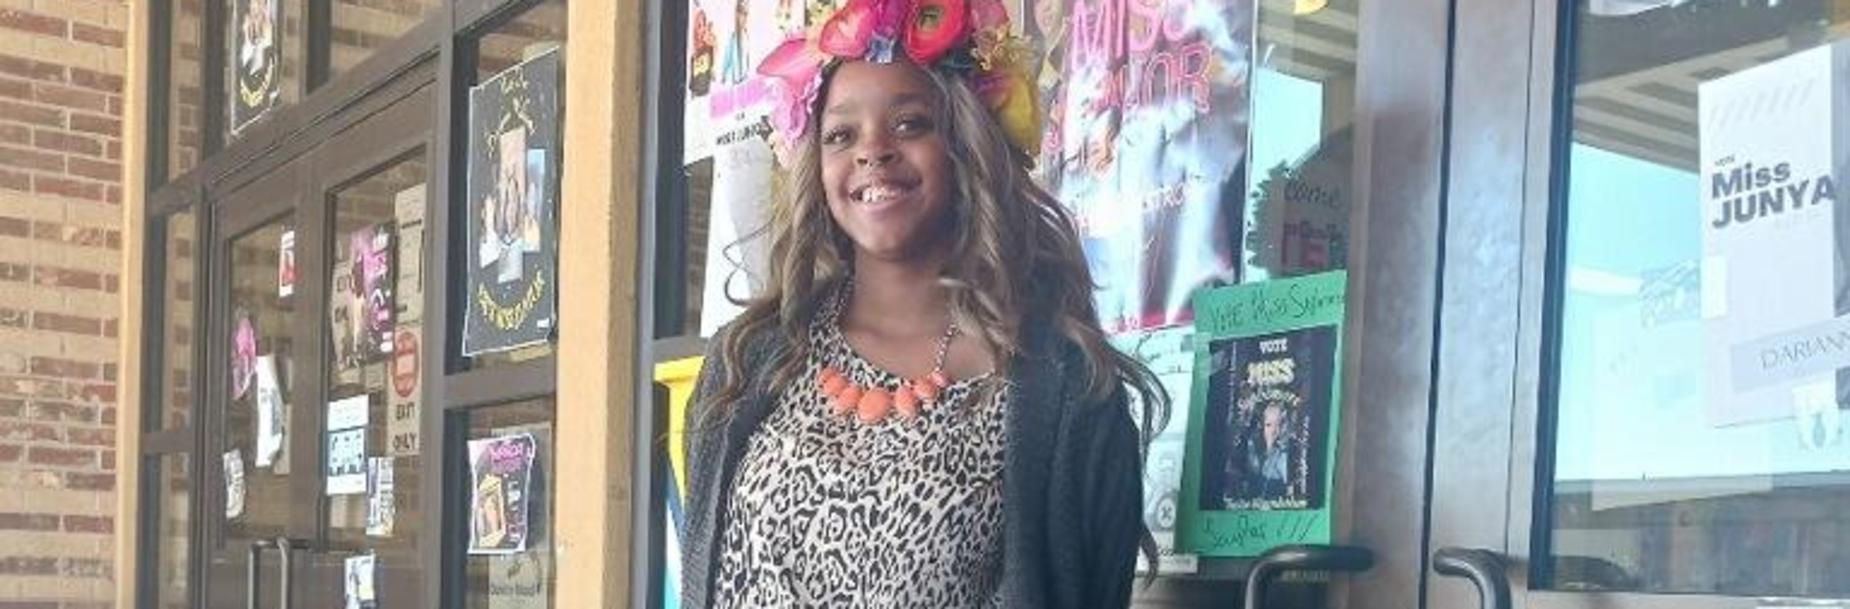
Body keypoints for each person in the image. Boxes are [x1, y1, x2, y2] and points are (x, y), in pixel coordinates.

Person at [679, 0, 1166, 607]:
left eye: (909, 124)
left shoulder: (1066, 391)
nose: (873, 150)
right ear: (817, 166)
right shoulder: (748, 363)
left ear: (966, 144)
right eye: (841, 134)